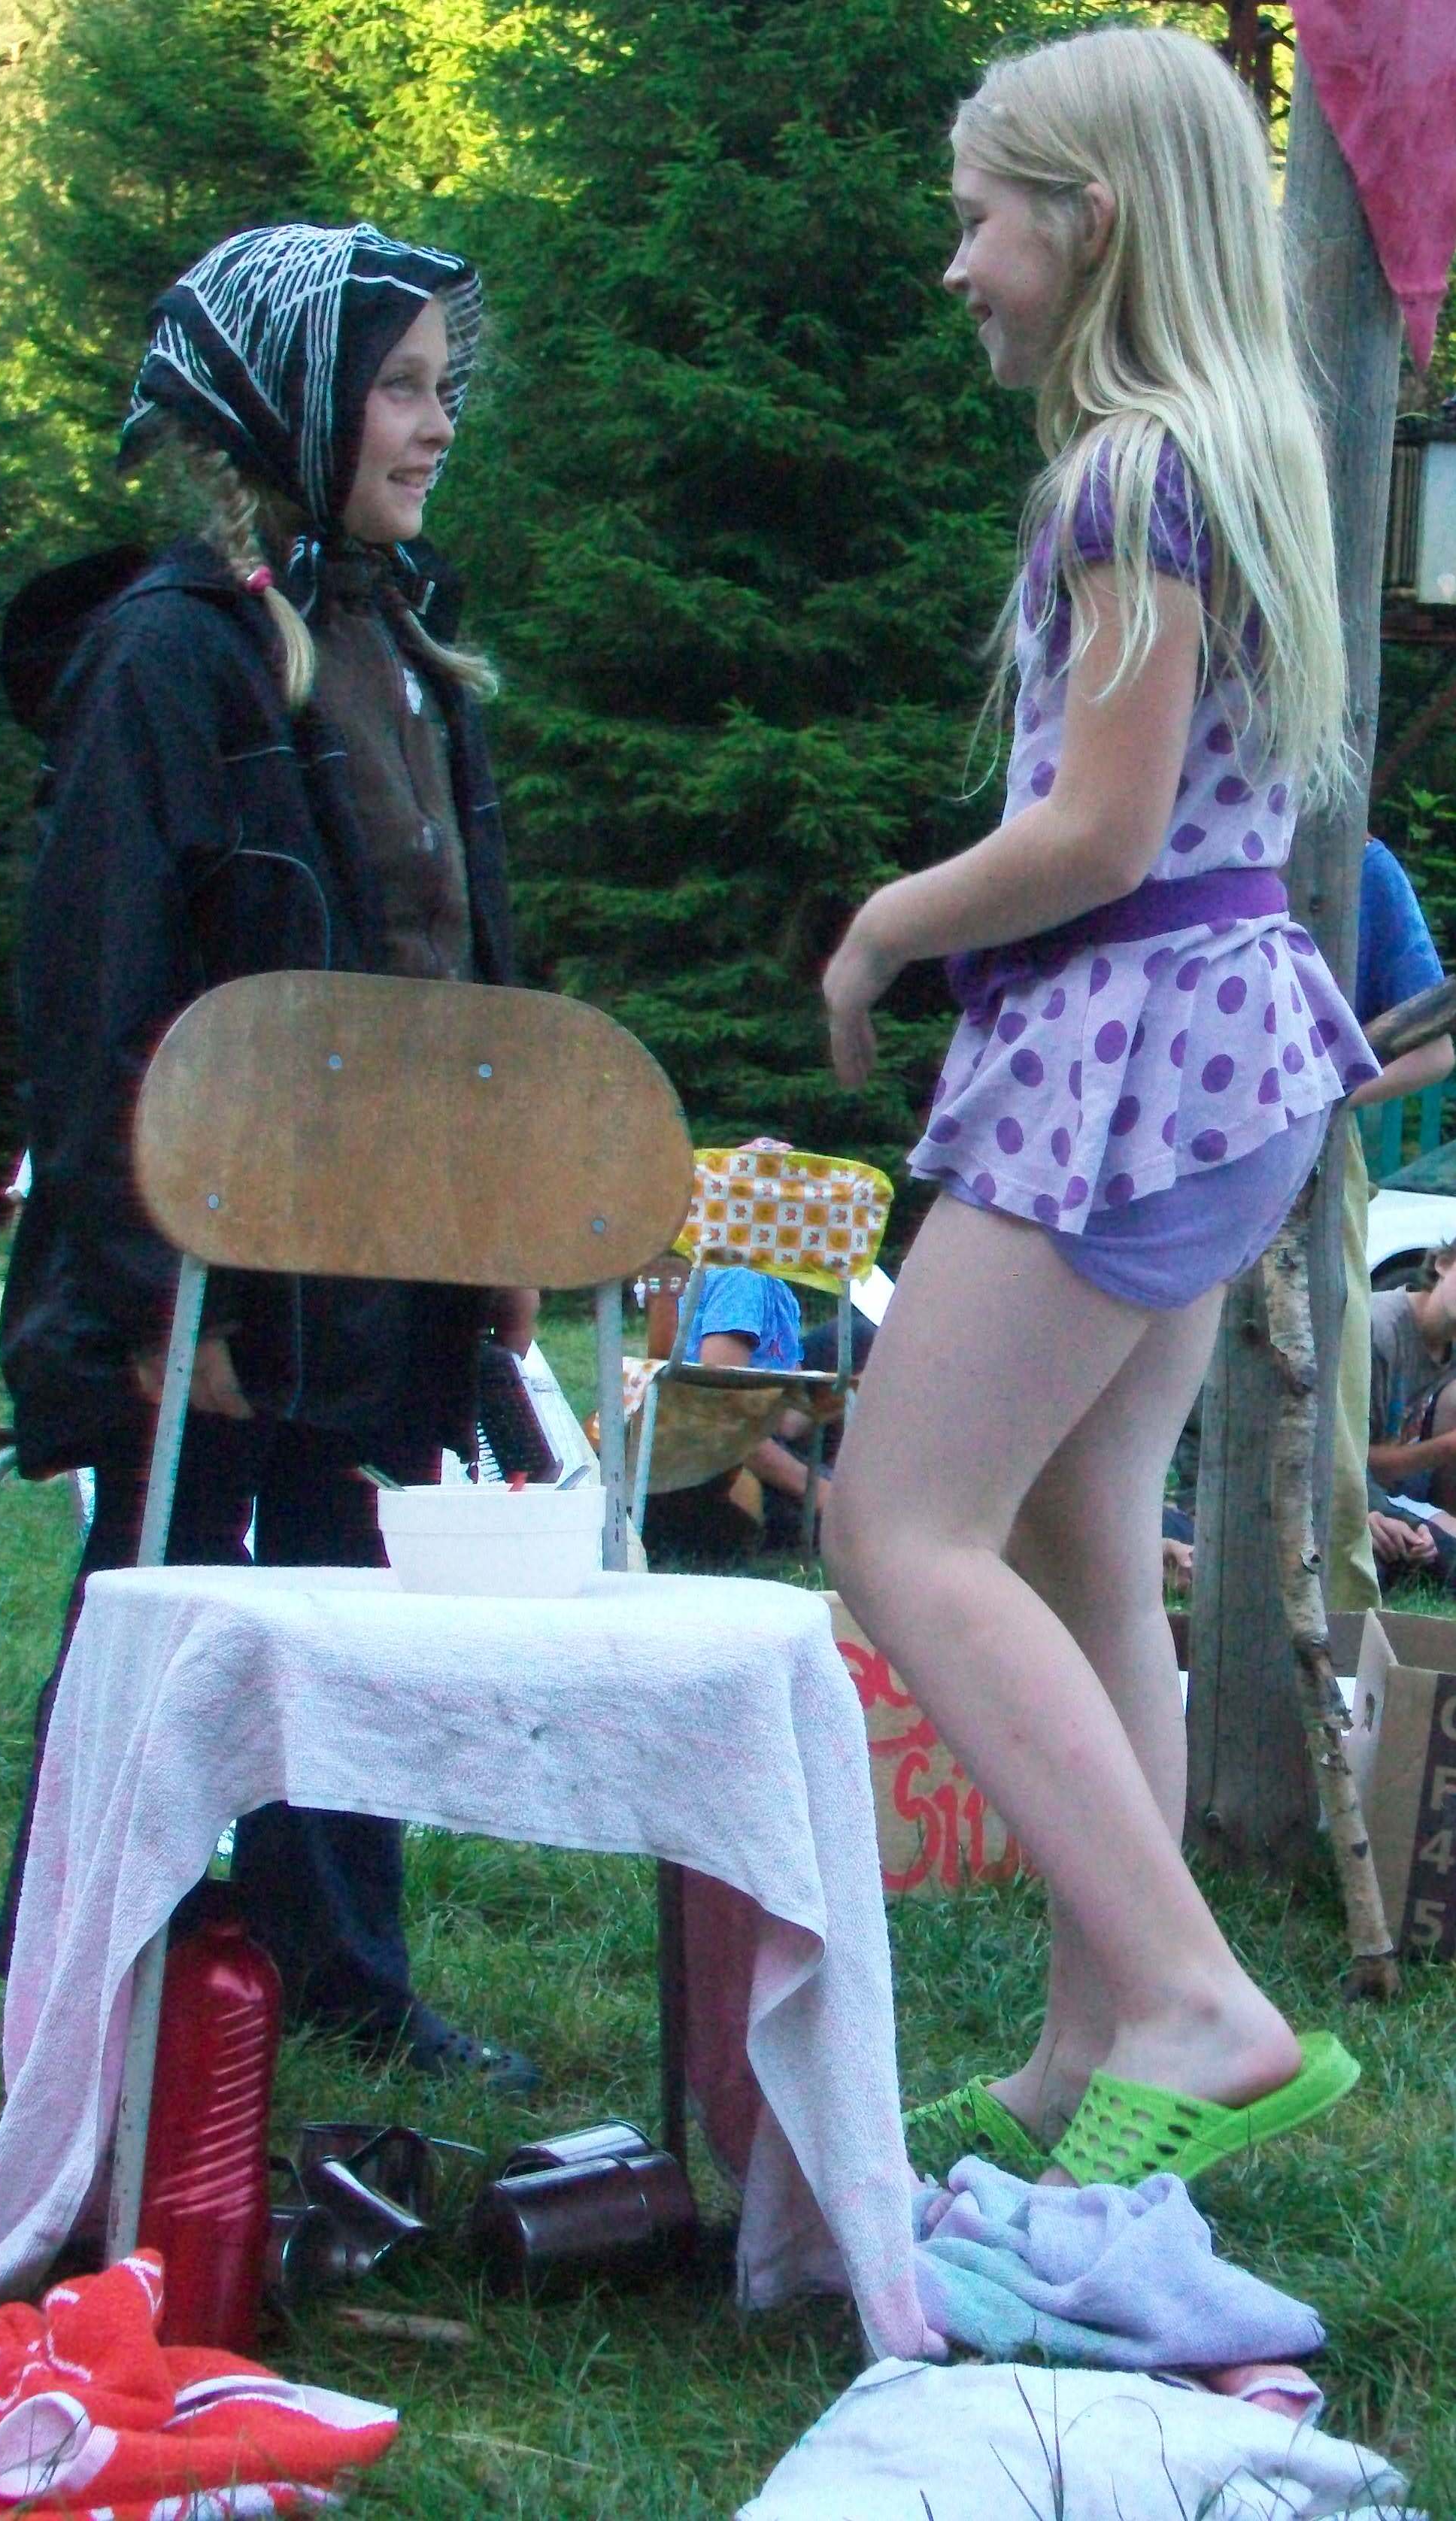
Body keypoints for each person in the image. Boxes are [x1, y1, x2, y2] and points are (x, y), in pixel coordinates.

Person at [821, 26, 1370, 2186]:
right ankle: (1080, 2062)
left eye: (978, 218)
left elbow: (1100, 830)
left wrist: (882, 926)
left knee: (892, 1522)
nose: (954, 263)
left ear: (1091, 217)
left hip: (1122, 1050)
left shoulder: (1126, 471)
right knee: (1074, 1546)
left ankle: (1190, 2000)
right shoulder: (1230, 449)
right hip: (1212, 1052)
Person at [0, 222, 536, 2090]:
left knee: (344, 1595)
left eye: (442, 388)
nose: (435, 423)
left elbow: (461, 964)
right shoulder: (171, 657)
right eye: (398, 388)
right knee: (165, 1591)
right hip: (219, 1252)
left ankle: (341, 1968)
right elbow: (98, 988)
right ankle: (79, 1949)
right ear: (290, 402)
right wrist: (159, 1288)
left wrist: (494, 1211)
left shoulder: (404, 644)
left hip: (383, 1248)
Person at [1327, 839, 1454, 1609]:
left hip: (1307, 1159)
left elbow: (1432, 1049)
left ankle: (1339, 1635)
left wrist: (1315, 1096)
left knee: (1326, 1420)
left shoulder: (1358, 863)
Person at [1363, 1241, 1456, 1587]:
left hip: (1411, 1481)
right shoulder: (1380, 1329)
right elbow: (1353, 1463)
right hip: (1367, 1489)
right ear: (1443, 1264)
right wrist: (1448, 1446)